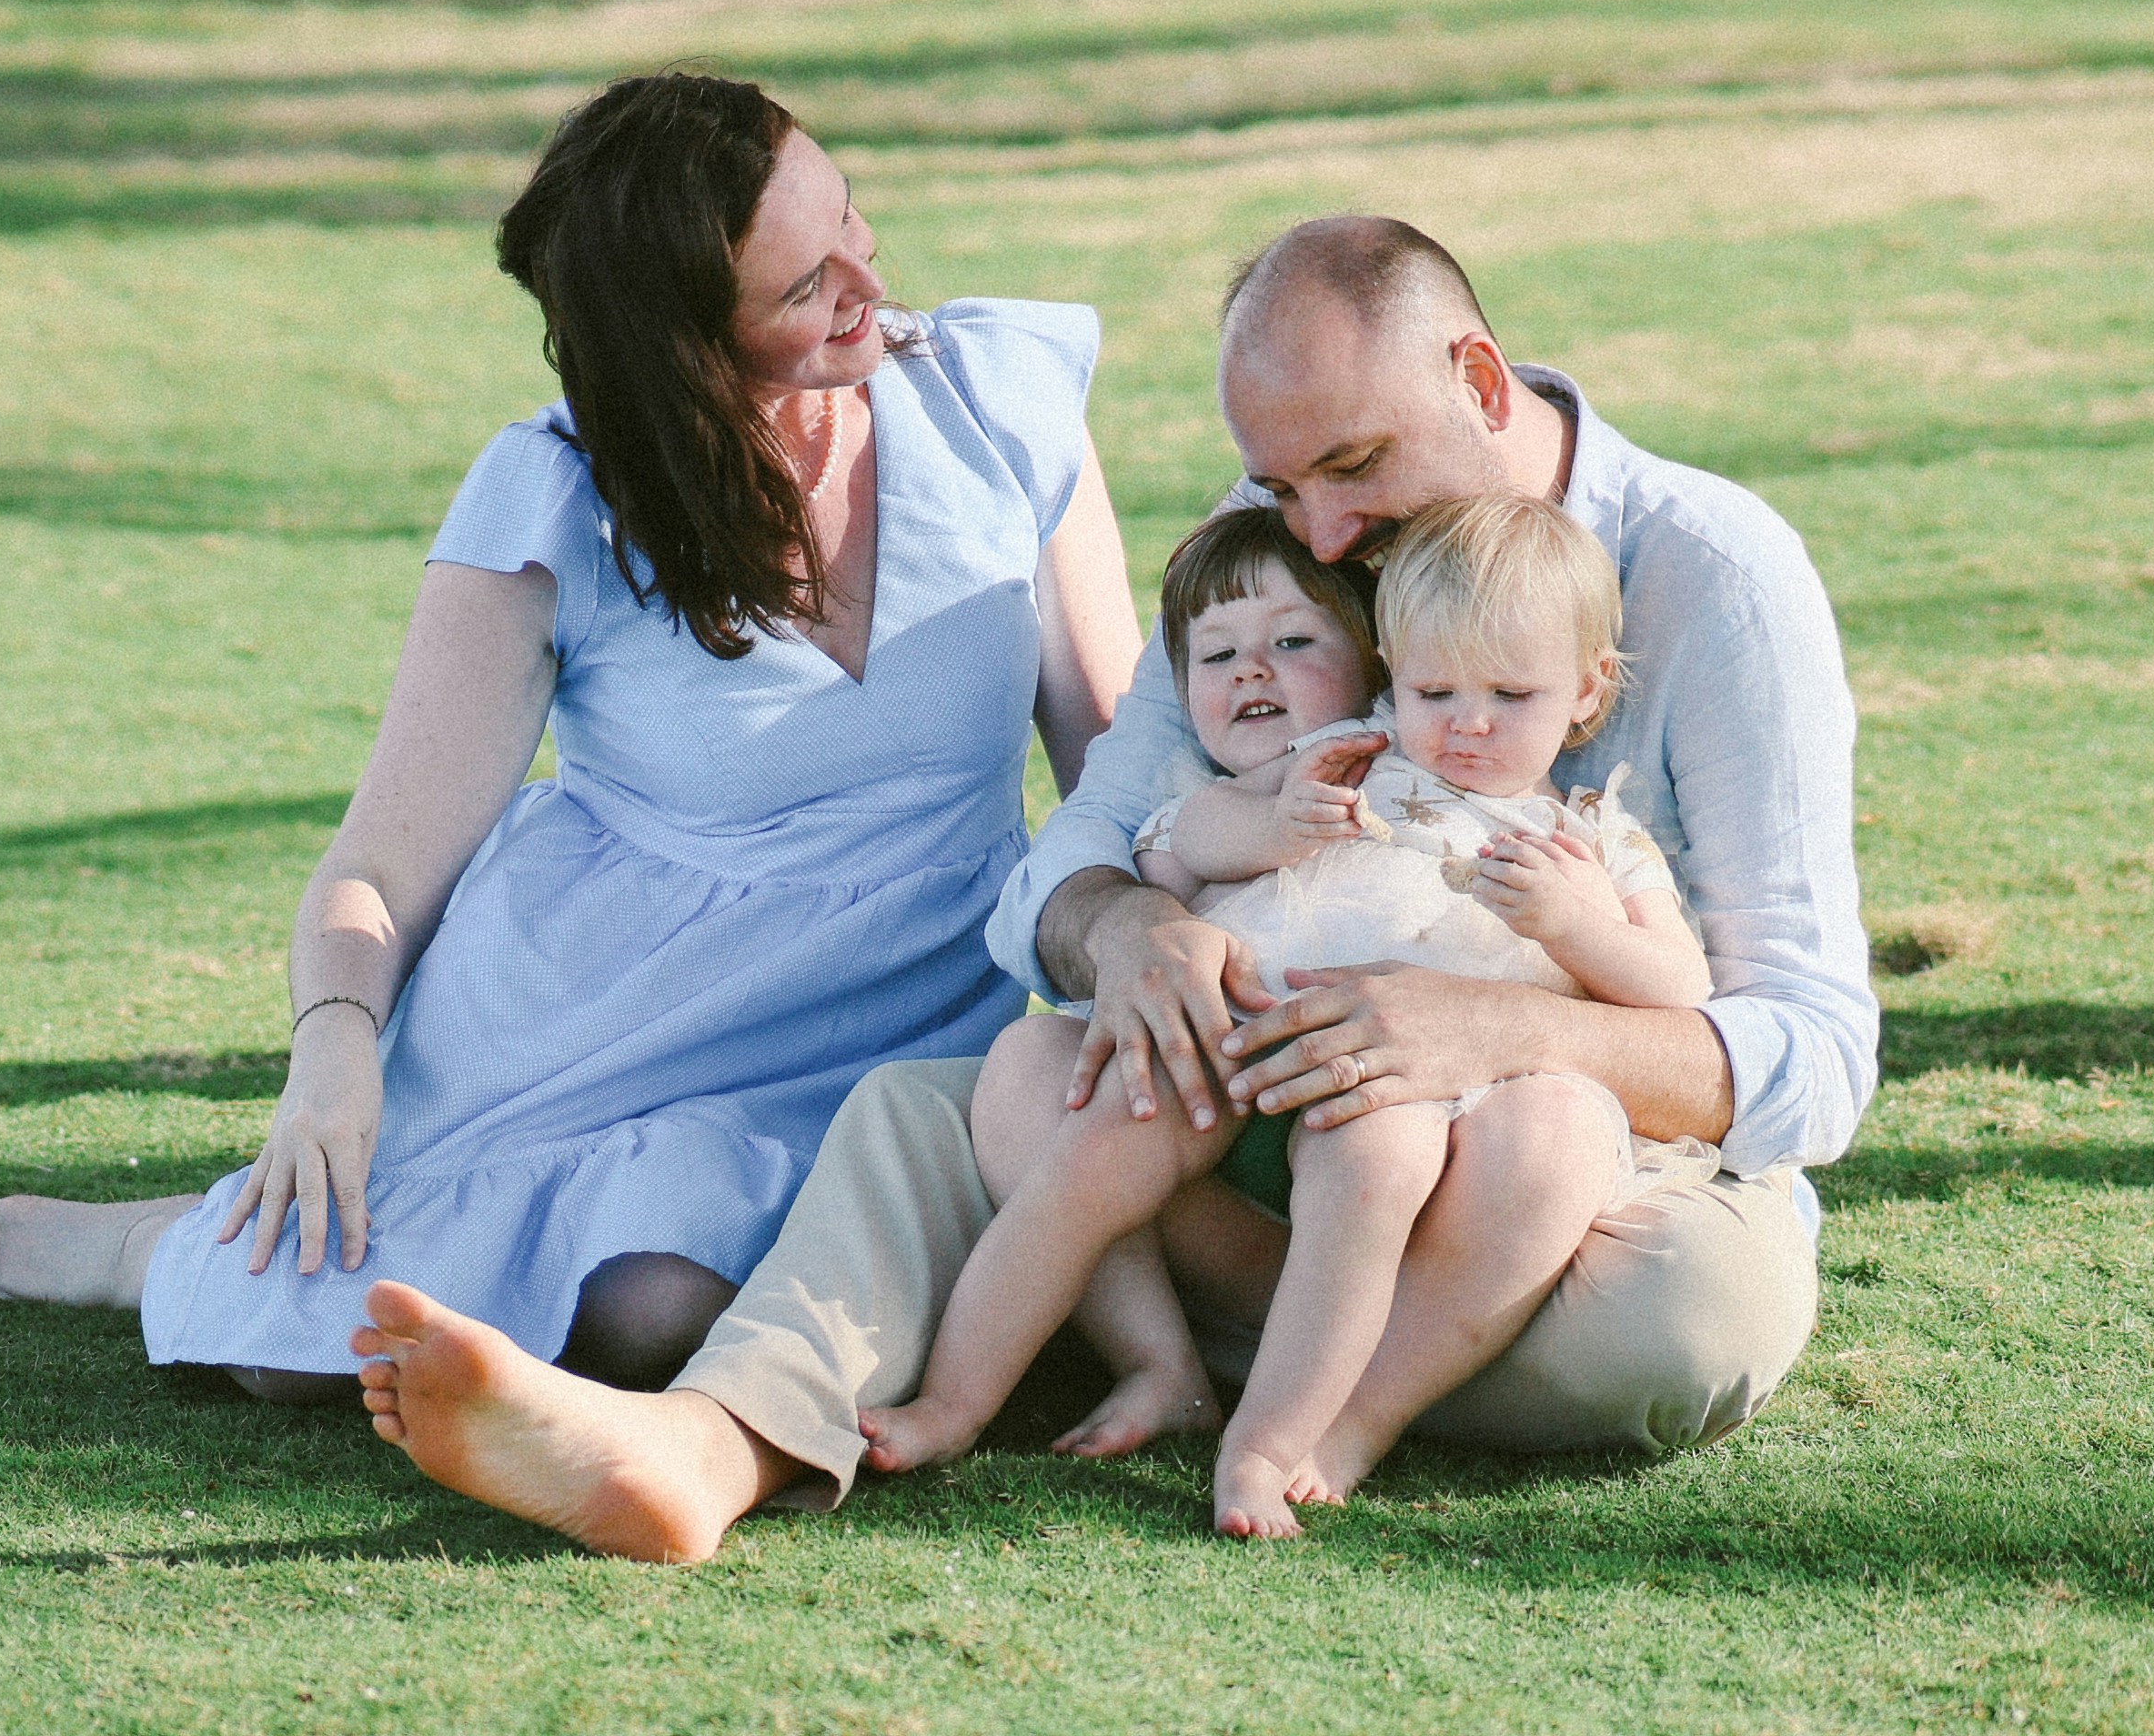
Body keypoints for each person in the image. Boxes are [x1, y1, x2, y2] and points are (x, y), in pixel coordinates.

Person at [349, 210, 1876, 1560]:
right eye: (1283, 484)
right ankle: (708, 1446)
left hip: (1551, 1195)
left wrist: (1497, 1032)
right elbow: (1076, 861)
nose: (1325, 532)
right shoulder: (1274, 540)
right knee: (948, 1107)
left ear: (1480, 385)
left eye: (1356, 466)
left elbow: (1812, 1059)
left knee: (1687, 1324)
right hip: (1271, 1130)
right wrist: (1131, 923)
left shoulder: (1714, 579)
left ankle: (1210, 1351)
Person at [0, 70, 1142, 1395]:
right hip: (594, 1026)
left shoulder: (1000, 405)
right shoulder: (556, 501)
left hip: (897, 1026)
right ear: (684, 345)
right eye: (803, 287)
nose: (865, 277)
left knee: (657, 1316)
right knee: (324, 1352)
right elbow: (381, 864)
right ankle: (160, 1249)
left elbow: (1117, 762)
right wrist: (330, 1057)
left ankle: (220, 1249)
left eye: (850, 217)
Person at [865, 492, 1714, 1536]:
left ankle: (1294, 1440)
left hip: (1406, 1103)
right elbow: (1169, 844)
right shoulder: (1351, 758)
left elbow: (1680, 992)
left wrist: (1577, 926)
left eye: (1510, 692)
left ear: (1586, 692)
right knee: (1088, 1152)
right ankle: (964, 1397)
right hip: (1240, 1047)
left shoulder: (1595, 840)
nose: (1467, 721)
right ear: (1388, 673)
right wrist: (1270, 826)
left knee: (1380, 1157)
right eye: (1432, 687)